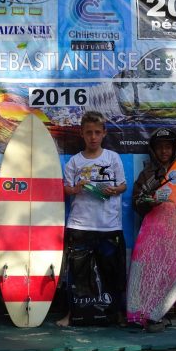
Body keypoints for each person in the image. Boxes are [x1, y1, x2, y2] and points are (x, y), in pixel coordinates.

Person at [56, 111, 127, 327]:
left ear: (104, 133)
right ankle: (72, 314)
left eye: (97, 132)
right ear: (82, 134)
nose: (93, 137)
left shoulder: (113, 158)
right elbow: (66, 189)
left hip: (109, 226)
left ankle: (118, 314)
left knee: (112, 273)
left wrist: (113, 190)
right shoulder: (74, 162)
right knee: (77, 275)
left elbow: (123, 185)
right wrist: (77, 188)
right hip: (80, 225)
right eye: (89, 133)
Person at [132, 128, 176, 332]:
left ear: (174, 149)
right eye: (160, 148)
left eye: (168, 147)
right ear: (153, 150)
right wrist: (150, 201)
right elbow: (137, 201)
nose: (164, 151)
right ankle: (155, 311)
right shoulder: (147, 174)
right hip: (156, 229)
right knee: (156, 270)